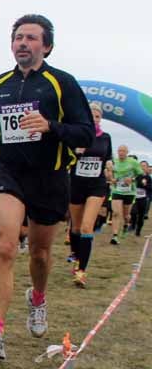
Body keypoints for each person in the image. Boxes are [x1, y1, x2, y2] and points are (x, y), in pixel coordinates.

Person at [0, 14, 94, 360]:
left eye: (31, 38)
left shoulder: (61, 83)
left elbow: (85, 132)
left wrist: (51, 126)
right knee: (5, 246)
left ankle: (37, 298)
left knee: (39, 254)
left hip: (50, 177)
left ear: (47, 46)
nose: (23, 43)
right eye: (18, 38)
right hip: (10, 175)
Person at [66, 104, 113, 287]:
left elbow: (108, 156)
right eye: (92, 115)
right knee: (76, 227)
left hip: (96, 185)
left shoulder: (106, 138)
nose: (95, 119)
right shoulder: (77, 135)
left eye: (98, 116)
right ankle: (77, 256)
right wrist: (77, 153)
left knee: (87, 227)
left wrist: (109, 165)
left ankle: (81, 271)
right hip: (77, 184)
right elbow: (67, 158)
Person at [109, 145, 142, 245]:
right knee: (115, 213)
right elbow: (110, 172)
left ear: (127, 152)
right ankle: (115, 236)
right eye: (119, 151)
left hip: (129, 191)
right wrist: (112, 179)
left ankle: (126, 224)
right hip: (117, 190)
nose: (121, 153)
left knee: (126, 214)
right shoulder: (114, 161)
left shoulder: (133, 162)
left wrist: (132, 179)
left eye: (123, 151)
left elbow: (140, 174)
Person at [132, 160, 150, 237]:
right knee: (133, 213)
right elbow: (133, 184)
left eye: (144, 166)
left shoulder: (148, 177)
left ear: (147, 168)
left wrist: (145, 185)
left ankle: (138, 230)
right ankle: (133, 225)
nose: (142, 167)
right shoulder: (136, 176)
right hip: (134, 198)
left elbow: (150, 187)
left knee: (141, 216)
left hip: (143, 198)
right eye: (141, 166)